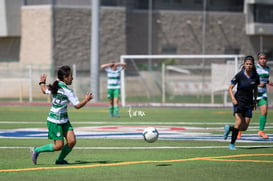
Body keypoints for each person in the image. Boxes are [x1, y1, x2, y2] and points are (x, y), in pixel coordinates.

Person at [31, 65, 93, 165]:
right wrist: (86, 100)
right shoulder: (68, 91)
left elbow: (43, 90)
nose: (72, 78)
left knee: (71, 141)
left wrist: (42, 82)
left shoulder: (55, 85)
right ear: (65, 77)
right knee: (58, 146)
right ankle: (37, 150)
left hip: (64, 120)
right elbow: (77, 106)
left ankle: (59, 160)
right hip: (54, 121)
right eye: (71, 76)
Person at [224, 56, 260, 150]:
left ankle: (230, 128)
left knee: (244, 128)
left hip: (249, 103)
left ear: (253, 65)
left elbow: (255, 88)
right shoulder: (239, 75)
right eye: (247, 64)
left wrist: (255, 101)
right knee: (239, 122)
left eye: (250, 64)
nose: (248, 66)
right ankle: (232, 144)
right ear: (244, 64)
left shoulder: (255, 76)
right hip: (238, 101)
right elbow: (230, 88)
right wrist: (233, 99)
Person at [237, 53, 273, 139]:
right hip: (252, 94)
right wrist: (256, 84)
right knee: (245, 115)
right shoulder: (254, 68)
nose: (263, 60)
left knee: (264, 112)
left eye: (264, 58)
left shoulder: (268, 69)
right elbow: (249, 79)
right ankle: (239, 130)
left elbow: (265, 80)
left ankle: (261, 131)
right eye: (261, 58)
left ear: (266, 60)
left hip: (263, 93)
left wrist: (269, 83)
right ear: (258, 60)